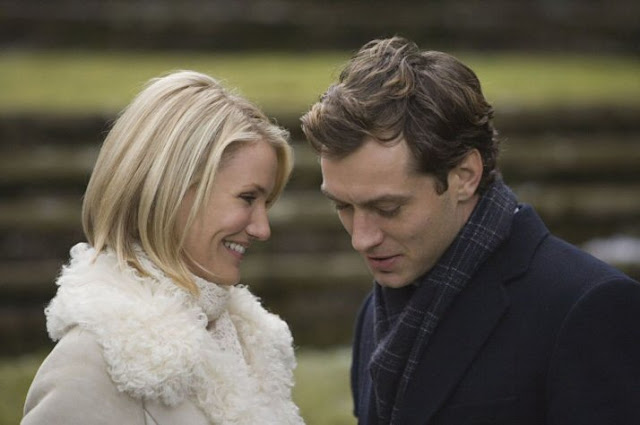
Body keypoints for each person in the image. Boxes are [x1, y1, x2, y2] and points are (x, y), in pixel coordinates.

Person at [301, 36, 640, 425]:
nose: (361, 238)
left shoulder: (590, 308)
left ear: (465, 175)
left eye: (387, 208)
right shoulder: (374, 312)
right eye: (343, 206)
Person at [22, 70, 305, 425]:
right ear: (171, 189)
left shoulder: (253, 343)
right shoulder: (91, 365)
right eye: (248, 198)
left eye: (267, 204)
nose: (263, 229)